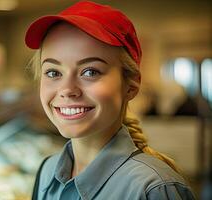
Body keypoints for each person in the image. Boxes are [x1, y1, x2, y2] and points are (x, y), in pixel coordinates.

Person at [25, 1, 196, 199]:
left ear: (131, 86)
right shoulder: (47, 171)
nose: (67, 90)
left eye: (90, 71)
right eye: (53, 72)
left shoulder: (154, 189)